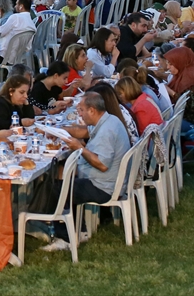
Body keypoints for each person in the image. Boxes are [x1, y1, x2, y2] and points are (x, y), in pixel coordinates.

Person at [42, 92, 131, 253]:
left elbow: (102, 165)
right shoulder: (109, 120)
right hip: (108, 180)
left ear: (92, 110)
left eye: (81, 110)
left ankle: (64, 238)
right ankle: (79, 230)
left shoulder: (107, 131)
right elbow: (82, 131)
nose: (80, 115)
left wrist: (79, 148)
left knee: (54, 188)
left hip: (103, 186)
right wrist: (58, 131)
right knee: (63, 175)